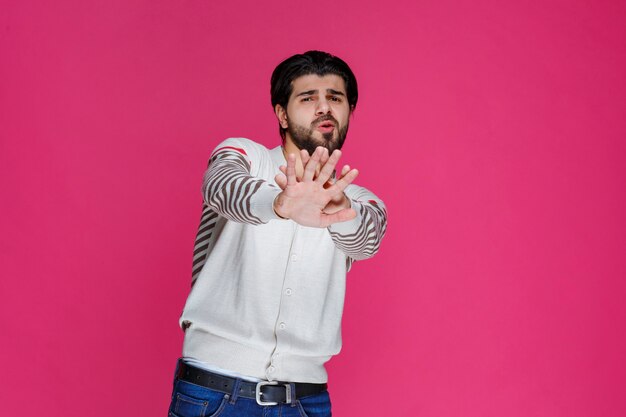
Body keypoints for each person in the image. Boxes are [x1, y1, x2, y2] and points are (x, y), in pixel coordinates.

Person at [168, 50, 387, 417]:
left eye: (335, 98)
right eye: (308, 97)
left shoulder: (357, 198)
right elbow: (221, 189)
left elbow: (366, 241)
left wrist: (337, 210)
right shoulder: (242, 154)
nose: (324, 107)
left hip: (306, 400)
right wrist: (281, 204)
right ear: (282, 113)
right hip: (213, 391)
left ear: (349, 110)